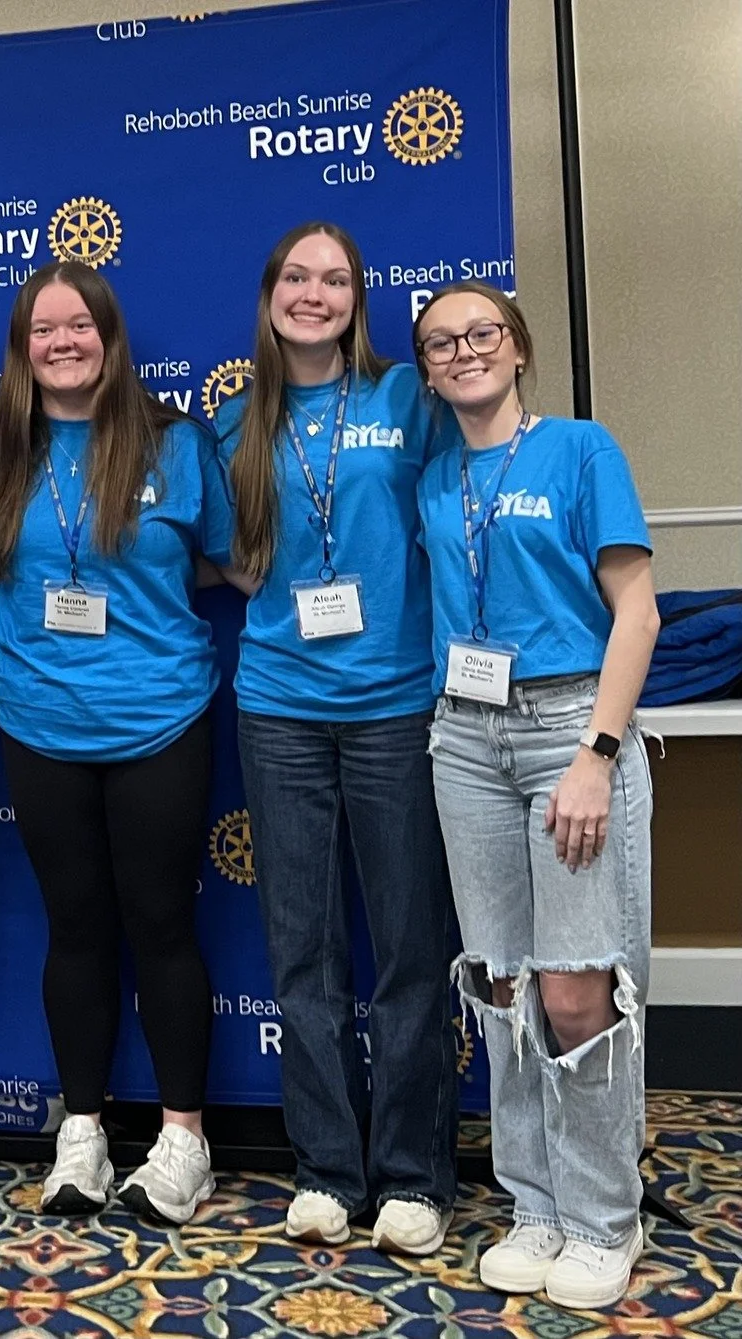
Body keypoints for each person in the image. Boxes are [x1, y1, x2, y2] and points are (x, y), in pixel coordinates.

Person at [214, 221, 459, 1254]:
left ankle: (411, 1174)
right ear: (269, 292)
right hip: (276, 706)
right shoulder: (235, 420)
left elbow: (459, 525)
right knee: (301, 946)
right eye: (295, 278)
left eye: (335, 279)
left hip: (395, 703)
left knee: (408, 947)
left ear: (358, 298)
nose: (312, 294)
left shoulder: (409, 397)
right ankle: (323, 1166)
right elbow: (219, 554)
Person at [413, 282, 659, 1309]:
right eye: (439, 343)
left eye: (481, 334)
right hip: (463, 735)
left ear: (515, 349)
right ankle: (535, 1204)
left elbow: (636, 610)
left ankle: (604, 1216)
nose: (462, 352)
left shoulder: (579, 449)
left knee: (576, 990)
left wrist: (596, 754)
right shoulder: (432, 477)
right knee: (504, 984)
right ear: (425, 370)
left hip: (568, 724)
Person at [0, 260, 228, 1226]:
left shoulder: (172, 442)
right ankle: (81, 1130)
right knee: (74, 928)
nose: (63, 342)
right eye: (43, 330)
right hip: (39, 724)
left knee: (161, 926)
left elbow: (226, 559)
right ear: (22, 347)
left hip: (161, 718)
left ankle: (183, 1138)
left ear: (110, 338)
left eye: (80, 326)